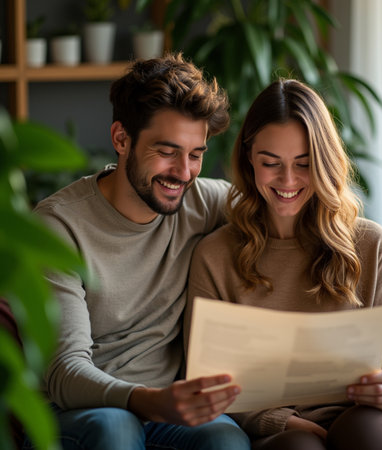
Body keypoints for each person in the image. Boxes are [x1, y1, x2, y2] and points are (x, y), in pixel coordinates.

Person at [23, 53, 250, 450]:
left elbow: (287, 211)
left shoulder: (203, 202)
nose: (183, 173)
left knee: (225, 439)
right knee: (117, 430)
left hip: (166, 409)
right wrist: (149, 400)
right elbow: (64, 371)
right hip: (76, 411)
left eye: (195, 154)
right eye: (167, 152)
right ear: (121, 139)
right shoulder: (59, 226)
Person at [185, 79, 382, 450]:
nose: (288, 180)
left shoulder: (370, 245)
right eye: (271, 163)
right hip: (273, 433)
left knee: (366, 436)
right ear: (249, 159)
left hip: (359, 417)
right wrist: (278, 420)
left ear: (325, 163)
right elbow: (206, 382)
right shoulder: (215, 256)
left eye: (304, 164)